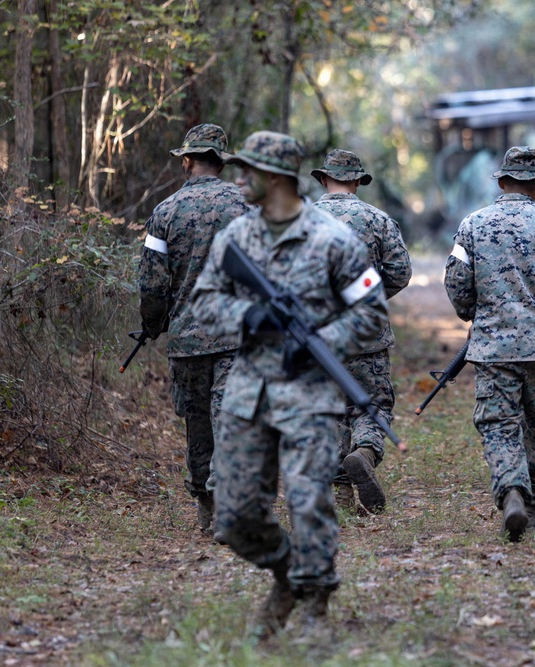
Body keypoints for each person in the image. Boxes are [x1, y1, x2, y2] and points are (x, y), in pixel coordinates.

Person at [190, 131, 388, 638]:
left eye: (247, 171)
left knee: (308, 501)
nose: (238, 179)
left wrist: (320, 338)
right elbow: (204, 306)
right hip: (248, 393)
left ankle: (316, 608)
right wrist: (252, 315)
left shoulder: (335, 240)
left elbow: (370, 314)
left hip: (310, 395)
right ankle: (285, 572)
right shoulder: (235, 238)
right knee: (233, 517)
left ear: (275, 177)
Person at [444, 146, 535, 542]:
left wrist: (471, 312)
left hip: (492, 348)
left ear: (502, 180)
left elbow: (457, 281)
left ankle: (511, 489)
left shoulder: (472, 225)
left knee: (498, 423)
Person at [137, 123, 250, 537]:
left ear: (187, 161)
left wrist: (153, 325)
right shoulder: (248, 208)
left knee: (198, 423)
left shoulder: (164, 212)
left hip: (186, 339)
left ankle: (207, 501)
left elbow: (152, 285)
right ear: (222, 162)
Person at [312, 149, 412, 513]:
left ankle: (340, 494)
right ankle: (366, 453)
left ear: (323, 178)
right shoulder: (377, 219)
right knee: (372, 404)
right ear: (356, 181)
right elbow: (400, 272)